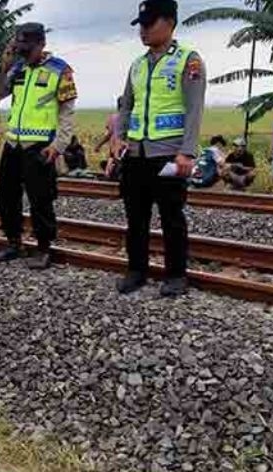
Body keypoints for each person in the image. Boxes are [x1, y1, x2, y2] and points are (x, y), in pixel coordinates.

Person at [109, 0, 206, 296]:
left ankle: (176, 275)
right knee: (135, 218)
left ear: (169, 22)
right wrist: (118, 137)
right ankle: (136, 270)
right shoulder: (137, 64)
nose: (143, 30)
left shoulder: (188, 60)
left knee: (171, 219)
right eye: (141, 24)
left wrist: (187, 151)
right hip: (136, 155)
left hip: (168, 154)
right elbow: (126, 105)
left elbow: (194, 109)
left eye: (149, 23)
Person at [0, 22, 78, 270]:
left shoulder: (60, 71)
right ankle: (14, 242)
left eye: (28, 49)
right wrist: (4, 67)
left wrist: (59, 145)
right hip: (13, 143)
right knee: (6, 195)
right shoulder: (17, 68)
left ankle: (43, 248)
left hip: (40, 146)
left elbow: (67, 113)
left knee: (40, 199)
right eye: (20, 49)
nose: (24, 53)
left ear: (42, 44)